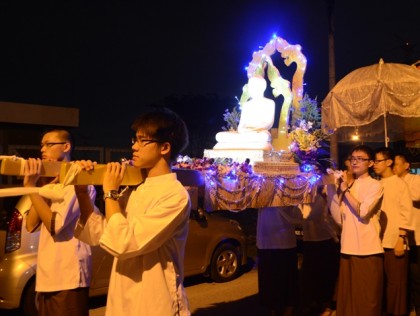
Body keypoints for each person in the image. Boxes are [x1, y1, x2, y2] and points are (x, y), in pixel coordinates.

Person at [74, 107, 191, 316]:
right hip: (123, 298)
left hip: (156, 302)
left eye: (142, 141)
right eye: (134, 140)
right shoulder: (136, 188)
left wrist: (110, 193)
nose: (134, 147)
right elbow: (102, 234)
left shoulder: (175, 196)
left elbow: (123, 243)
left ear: (164, 147)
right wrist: (82, 193)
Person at [24, 129, 96, 316]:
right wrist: (41, 186)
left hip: (69, 276)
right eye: (41, 145)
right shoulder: (51, 182)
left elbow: (54, 225)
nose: (43, 149)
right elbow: (30, 225)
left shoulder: (79, 179)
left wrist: (30, 188)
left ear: (66, 146)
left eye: (49, 144)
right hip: (48, 275)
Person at [327, 145, 384, 316]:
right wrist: (334, 189)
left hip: (368, 249)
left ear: (371, 163)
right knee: (349, 299)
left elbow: (363, 212)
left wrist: (345, 189)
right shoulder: (348, 186)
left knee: (367, 300)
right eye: (353, 158)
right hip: (348, 247)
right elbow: (339, 219)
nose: (355, 161)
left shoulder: (376, 185)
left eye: (360, 158)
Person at [373, 147, 412, 316]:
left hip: (394, 240)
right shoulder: (376, 184)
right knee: (382, 284)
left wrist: (401, 237)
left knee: (397, 285)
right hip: (377, 242)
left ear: (388, 162)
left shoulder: (399, 183)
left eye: (378, 161)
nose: (374, 164)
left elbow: (407, 212)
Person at [299, 185, 340, 316]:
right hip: (309, 240)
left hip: (324, 239)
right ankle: (314, 302)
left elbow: (310, 216)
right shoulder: (303, 197)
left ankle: (327, 304)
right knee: (311, 275)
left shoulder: (321, 197)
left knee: (325, 275)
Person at [256, 206, 300, 316]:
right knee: (271, 280)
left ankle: (289, 308)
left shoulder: (289, 192)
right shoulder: (261, 192)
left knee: (286, 279)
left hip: (285, 242)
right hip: (266, 242)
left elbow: (296, 215)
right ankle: (274, 308)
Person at [214, 75, 275, 150]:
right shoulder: (247, 105)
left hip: (259, 134)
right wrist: (243, 130)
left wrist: (252, 129)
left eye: (254, 86)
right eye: (250, 86)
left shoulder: (269, 103)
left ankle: (242, 143)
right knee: (219, 136)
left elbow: (268, 123)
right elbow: (241, 125)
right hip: (245, 134)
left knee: (264, 137)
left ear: (263, 87)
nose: (251, 89)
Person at [393, 153, 420, 315]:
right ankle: (408, 305)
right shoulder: (392, 182)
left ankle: (417, 306)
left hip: (416, 235)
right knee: (405, 274)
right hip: (398, 237)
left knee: (416, 274)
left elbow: (416, 195)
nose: (394, 167)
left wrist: (400, 189)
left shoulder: (415, 180)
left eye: (397, 164)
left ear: (406, 166)